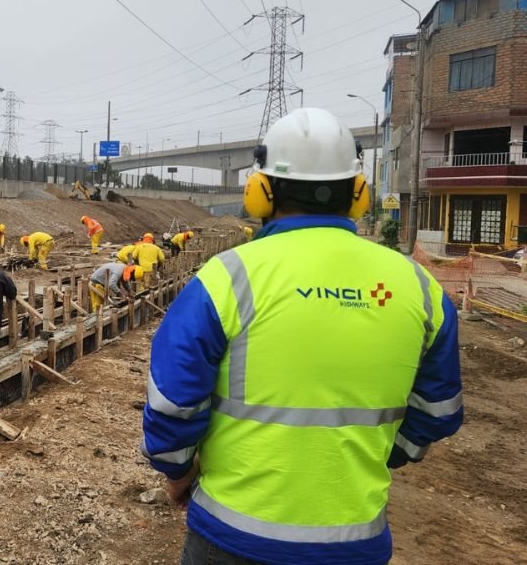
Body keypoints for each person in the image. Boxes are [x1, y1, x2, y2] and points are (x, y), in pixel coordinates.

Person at [141, 108, 463, 565]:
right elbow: (439, 411)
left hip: (231, 537)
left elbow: (171, 404)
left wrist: (177, 476)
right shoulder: (419, 287)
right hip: (355, 542)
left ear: (258, 192)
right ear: (358, 194)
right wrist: (372, 458)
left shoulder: (227, 279)